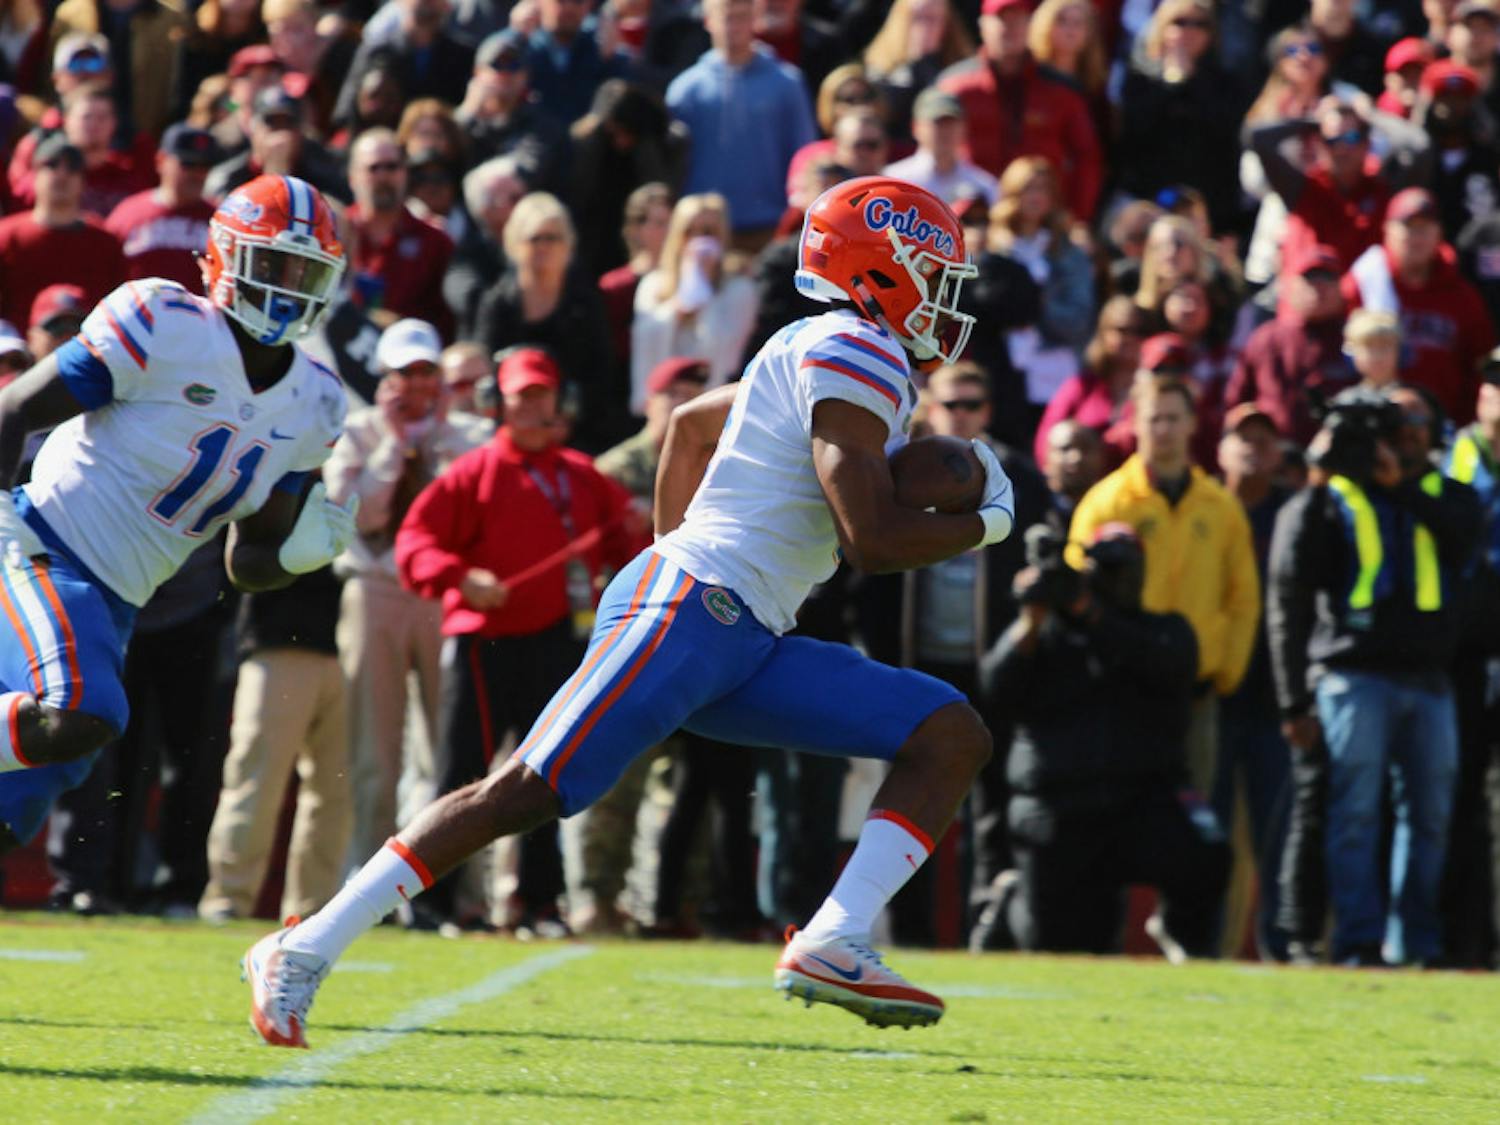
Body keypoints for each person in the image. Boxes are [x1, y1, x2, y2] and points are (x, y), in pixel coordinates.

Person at [243, 175, 1013, 1045]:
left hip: (744, 628)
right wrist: (985, 522)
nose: (946, 300)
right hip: (700, 604)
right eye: (934, 274)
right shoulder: (855, 353)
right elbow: (869, 538)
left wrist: (671, 555)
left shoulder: (818, 346)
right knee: (530, 787)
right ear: (883, 272)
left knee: (949, 733)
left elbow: (686, 424)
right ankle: (303, 945)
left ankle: (835, 936)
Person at [0, 174, 357, 855]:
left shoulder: (316, 401)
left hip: (116, 603)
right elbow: (14, 408)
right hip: (40, 546)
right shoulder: (164, 321)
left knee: (13, 807)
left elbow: (246, 563)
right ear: (225, 255)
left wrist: (291, 559)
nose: (289, 286)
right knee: (85, 710)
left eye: (306, 271)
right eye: (275, 264)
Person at [392, 347, 639, 934]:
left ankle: (540, 903)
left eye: (541, 395)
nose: (532, 406)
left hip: (556, 643)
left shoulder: (582, 476)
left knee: (544, 777)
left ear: (558, 401)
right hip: (484, 646)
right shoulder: (472, 474)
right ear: (497, 403)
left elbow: (629, 546)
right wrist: (461, 578)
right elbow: (415, 544)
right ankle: (436, 903)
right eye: (521, 395)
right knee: (461, 773)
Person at [1268, 387, 1480, 965]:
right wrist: (1324, 464)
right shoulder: (1336, 496)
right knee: (1353, 811)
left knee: (1431, 816)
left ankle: (1413, 940)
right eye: (1395, 421)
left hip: (1431, 678)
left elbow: (1466, 537)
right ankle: (1359, 939)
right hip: (1352, 675)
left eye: (1417, 418)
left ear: (1435, 430)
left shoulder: (1449, 495)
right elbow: (1289, 586)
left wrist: (1400, 487)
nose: (1407, 430)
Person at [976, 522, 1230, 957]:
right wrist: (1031, 620)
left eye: (1123, 568)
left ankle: (1180, 929)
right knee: (1064, 946)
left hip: (1141, 801)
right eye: (1105, 568)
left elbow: (1167, 667)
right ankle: (1011, 902)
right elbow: (995, 689)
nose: (1116, 579)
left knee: (1206, 851)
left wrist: (1091, 614)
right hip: (1058, 805)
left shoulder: (1165, 629)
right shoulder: (1048, 635)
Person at [323, 318, 490, 871]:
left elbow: (467, 519)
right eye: (406, 373)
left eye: (426, 372)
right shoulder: (358, 433)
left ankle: (444, 882)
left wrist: (438, 440)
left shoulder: (467, 435)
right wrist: (394, 447)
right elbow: (359, 517)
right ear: (384, 377)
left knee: (449, 749)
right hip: (377, 590)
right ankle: (367, 882)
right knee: (373, 750)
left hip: (445, 595)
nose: (417, 384)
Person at [1069, 374, 1261, 796]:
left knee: (1193, 818)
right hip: (1122, 691)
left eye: (1174, 418)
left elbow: (1243, 596)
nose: (1164, 429)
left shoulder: (1220, 507)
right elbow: (1075, 588)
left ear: (1193, 424)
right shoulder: (1107, 501)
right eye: (1154, 418)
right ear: (1135, 423)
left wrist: (1225, 670)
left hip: (1195, 693)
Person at [667, 0, 817, 250]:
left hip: (770, 226)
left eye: (741, 17)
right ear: (708, 21)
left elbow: (804, 157)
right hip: (705, 231)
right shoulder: (685, 91)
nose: (733, 27)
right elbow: (674, 165)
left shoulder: (786, 83)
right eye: (726, 17)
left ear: (753, 19)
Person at [936, 0, 1101, 220]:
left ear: (1032, 25)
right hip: (968, 215)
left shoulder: (1062, 90)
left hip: (1040, 220)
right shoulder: (954, 85)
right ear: (982, 25)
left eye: (1018, 20)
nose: (1010, 27)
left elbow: (1087, 158)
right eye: (1001, 19)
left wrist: (1077, 218)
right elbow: (931, 151)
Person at [1342, 187, 1494, 424]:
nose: (1416, 237)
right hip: (1375, 423)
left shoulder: (1461, 295)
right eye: (1408, 227)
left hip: (1443, 425)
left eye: (1424, 228)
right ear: (1387, 230)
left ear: (1439, 233)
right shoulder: (1365, 280)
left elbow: (1480, 366)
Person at [630, 192, 758, 414]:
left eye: (708, 232)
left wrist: (704, 296)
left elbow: (727, 355)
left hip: (713, 406)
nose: (698, 240)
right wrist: (676, 311)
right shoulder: (653, 285)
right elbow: (644, 343)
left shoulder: (740, 290)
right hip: (662, 408)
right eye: (689, 231)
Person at [1223, 243, 1356, 449]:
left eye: (1328, 279)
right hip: (1273, 459)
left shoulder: (1355, 338)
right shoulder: (1267, 338)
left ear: (1341, 287)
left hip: (1339, 455)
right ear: (1292, 286)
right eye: (1310, 279)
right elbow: (1235, 401)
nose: (1319, 287)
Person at [0, 134, 124, 330]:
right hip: (18, 354)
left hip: (87, 351)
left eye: (72, 168)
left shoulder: (104, 242)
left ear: (83, 181)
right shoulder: (6, 237)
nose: (62, 174)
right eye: (51, 165)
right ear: (33, 176)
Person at [344, 128, 455, 337]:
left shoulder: (435, 242)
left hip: (411, 360)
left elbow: (447, 321)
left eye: (392, 167)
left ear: (405, 173)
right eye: (373, 168)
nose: (383, 176)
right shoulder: (333, 232)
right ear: (352, 177)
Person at [105, 123, 221, 294]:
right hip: (138, 317)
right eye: (188, 164)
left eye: (204, 166)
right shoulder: (128, 214)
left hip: (200, 318)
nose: (197, 174)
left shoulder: (220, 220)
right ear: (161, 160)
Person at [882, 88, 997, 206]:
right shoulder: (893, 181)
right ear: (915, 127)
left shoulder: (985, 186)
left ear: (964, 128)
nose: (945, 130)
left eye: (951, 122)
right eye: (938, 122)